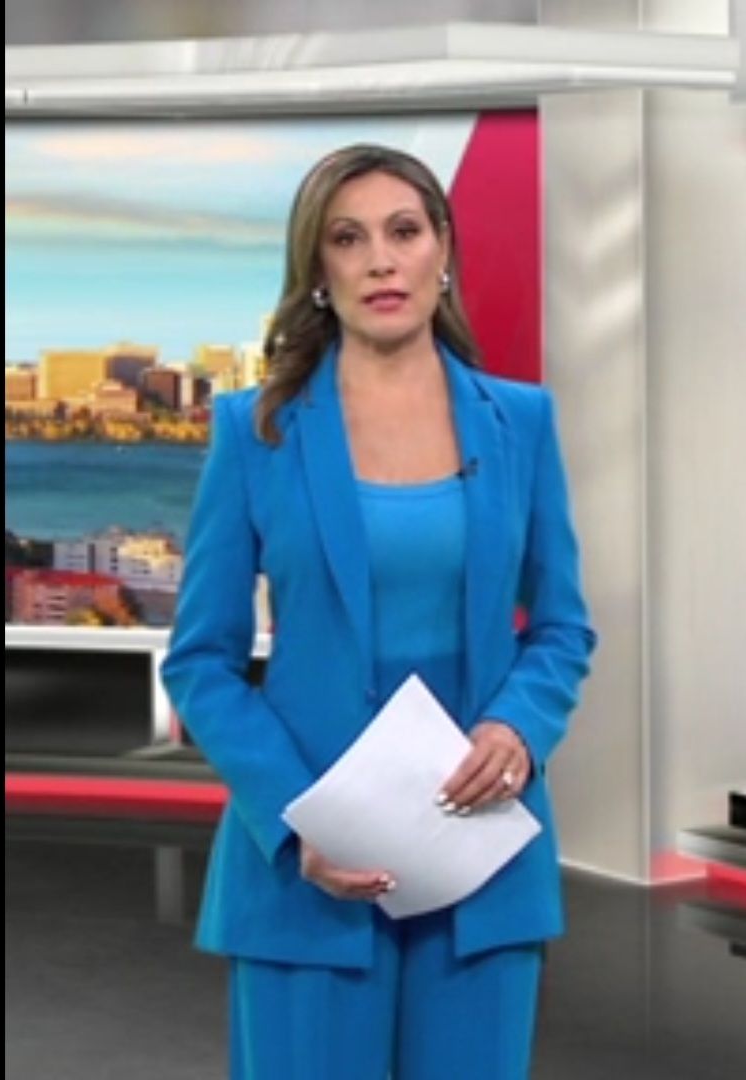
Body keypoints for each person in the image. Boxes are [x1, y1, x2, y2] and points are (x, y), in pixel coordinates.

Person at [160, 143, 597, 1079]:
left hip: (478, 858)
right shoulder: (254, 430)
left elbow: (561, 627)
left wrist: (518, 728)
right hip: (308, 873)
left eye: (403, 232)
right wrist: (298, 820)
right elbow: (200, 661)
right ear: (317, 270)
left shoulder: (520, 423)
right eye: (347, 239)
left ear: (442, 250)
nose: (380, 261)